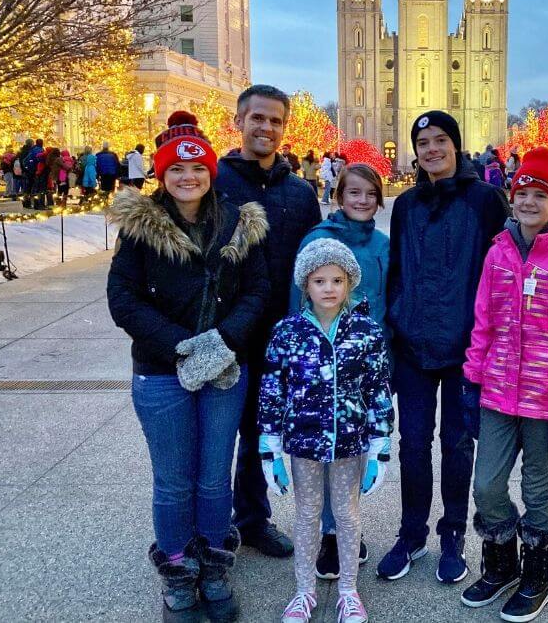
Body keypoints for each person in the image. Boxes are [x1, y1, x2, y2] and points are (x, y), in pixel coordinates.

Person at [107, 111, 270, 623]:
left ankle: (215, 563)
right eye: (176, 169)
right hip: (160, 370)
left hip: (224, 369)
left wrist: (223, 340)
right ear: (162, 174)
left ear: (210, 172)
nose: (187, 177)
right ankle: (178, 569)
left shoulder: (239, 222)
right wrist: (182, 345)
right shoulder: (141, 227)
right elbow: (123, 298)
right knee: (174, 479)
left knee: (213, 477)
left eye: (196, 168)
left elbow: (258, 290)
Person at [462, 147, 548, 621]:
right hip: (498, 393)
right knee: (488, 486)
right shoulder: (497, 254)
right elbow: (483, 322)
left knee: (539, 492)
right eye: (523, 192)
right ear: (512, 196)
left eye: (541, 195)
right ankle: (501, 564)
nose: (529, 202)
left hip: (547, 400)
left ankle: (537, 576)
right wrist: (471, 382)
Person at [378, 110, 510, 584]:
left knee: (457, 443)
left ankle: (452, 533)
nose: (431, 149)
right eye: (423, 143)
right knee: (412, 443)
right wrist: (396, 319)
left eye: (439, 141)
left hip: (465, 348)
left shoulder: (485, 200)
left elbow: (505, 267)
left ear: (455, 145)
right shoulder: (408, 204)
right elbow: (396, 270)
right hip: (414, 343)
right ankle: (411, 533)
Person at [259, 239, 393, 623]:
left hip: (351, 443)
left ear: (349, 282)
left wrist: (380, 443)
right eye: (320, 281)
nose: (329, 288)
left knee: (348, 515)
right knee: (306, 515)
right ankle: (304, 592)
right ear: (306, 285)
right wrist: (270, 446)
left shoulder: (365, 332)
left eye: (337, 280)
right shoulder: (288, 332)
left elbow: (378, 388)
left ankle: (349, 591)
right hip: (304, 444)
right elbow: (272, 389)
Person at [215, 84, 322, 560]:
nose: (266, 128)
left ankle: (253, 519)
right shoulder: (213, 182)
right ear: (239, 121)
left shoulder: (299, 193)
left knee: (262, 433)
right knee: (216, 436)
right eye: (258, 118)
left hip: (279, 337)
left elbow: (316, 264)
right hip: (225, 333)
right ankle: (210, 527)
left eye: (276, 121)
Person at [289, 163, 390, 580]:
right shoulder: (319, 239)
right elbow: (299, 302)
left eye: (369, 193)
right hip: (320, 365)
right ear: (339, 196)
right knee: (321, 451)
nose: (361, 200)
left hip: (363, 361)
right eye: (353, 193)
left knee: (351, 450)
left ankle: (345, 524)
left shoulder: (383, 245)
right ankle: (329, 532)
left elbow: (389, 297)